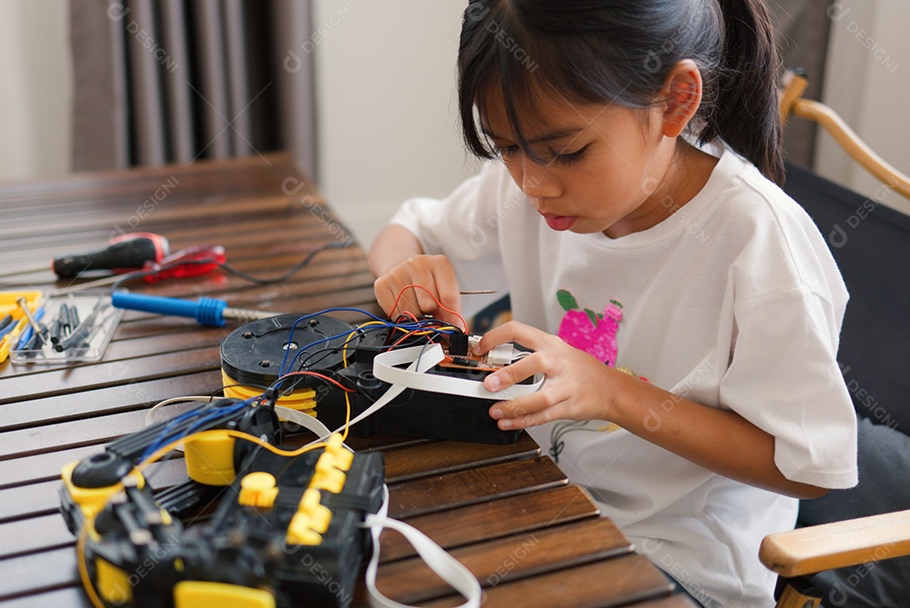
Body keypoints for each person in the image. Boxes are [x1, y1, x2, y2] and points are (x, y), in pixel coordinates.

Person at [368, 1, 859, 605]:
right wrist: (404, 274)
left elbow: (806, 468)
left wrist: (611, 392)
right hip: (541, 491)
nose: (533, 184)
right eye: (506, 148)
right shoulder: (529, 185)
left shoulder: (757, 243)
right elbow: (407, 231)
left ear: (675, 101)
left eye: (568, 152)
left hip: (681, 561)